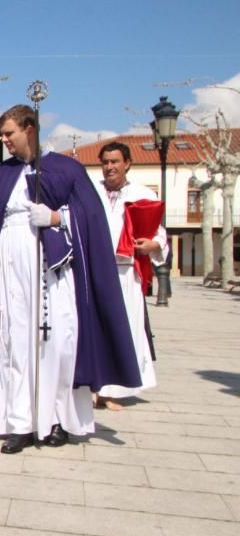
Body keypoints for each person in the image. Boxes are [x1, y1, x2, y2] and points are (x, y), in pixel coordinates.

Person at [0, 105, 141, 454]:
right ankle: (19, 421)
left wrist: (57, 216)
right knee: (11, 342)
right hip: (7, 267)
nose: (5, 140)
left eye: (10, 133)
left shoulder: (64, 169)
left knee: (56, 344)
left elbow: (90, 217)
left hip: (50, 271)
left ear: (29, 128)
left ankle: (56, 418)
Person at [93, 142, 165, 409]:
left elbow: (159, 233)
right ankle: (95, 386)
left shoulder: (142, 193)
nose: (109, 167)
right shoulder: (92, 192)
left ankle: (115, 390)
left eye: (115, 162)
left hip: (126, 273)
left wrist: (153, 245)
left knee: (126, 329)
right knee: (95, 328)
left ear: (127, 164)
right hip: (95, 271)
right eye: (105, 162)